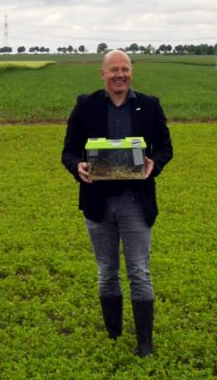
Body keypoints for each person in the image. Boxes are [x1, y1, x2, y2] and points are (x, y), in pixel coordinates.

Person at [61, 50, 172, 357]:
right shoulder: (86, 105)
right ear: (103, 74)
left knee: (139, 270)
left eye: (125, 69)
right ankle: (113, 333)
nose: (120, 74)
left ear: (131, 72)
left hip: (135, 201)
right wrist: (77, 167)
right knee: (106, 270)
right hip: (98, 202)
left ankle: (145, 344)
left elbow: (165, 148)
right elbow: (68, 152)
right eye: (114, 70)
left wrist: (154, 164)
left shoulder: (149, 105)